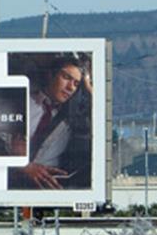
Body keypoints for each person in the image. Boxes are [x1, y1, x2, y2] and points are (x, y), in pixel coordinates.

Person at [7, 53, 93, 190]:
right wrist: (22, 164)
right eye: (66, 77)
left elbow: (102, 121)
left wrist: (89, 88)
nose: (70, 88)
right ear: (50, 75)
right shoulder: (22, 102)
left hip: (44, 191)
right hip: (7, 184)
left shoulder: (72, 120)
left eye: (76, 84)